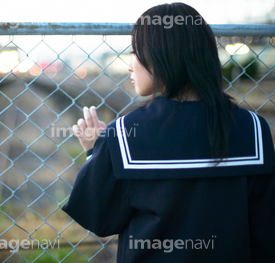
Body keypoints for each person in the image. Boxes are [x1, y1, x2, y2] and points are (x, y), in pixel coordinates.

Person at [62, 3, 275, 263]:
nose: (130, 65)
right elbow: (265, 230)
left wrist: (93, 151)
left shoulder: (125, 134)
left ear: (164, 57)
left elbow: (99, 218)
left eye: (136, 53)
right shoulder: (254, 129)